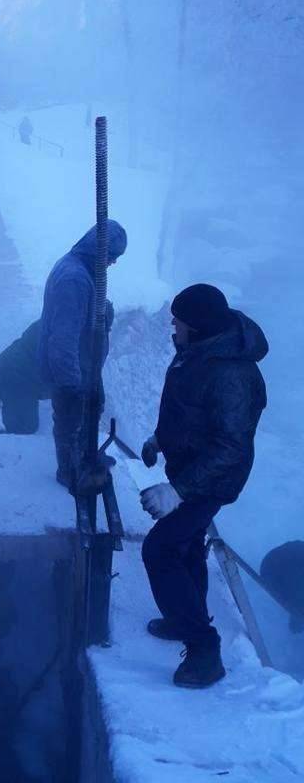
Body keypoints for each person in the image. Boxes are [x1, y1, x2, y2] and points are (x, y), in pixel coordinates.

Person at [140, 283, 268, 689]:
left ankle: (204, 652)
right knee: (187, 544)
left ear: (195, 325)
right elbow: (188, 410)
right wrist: (160, 439)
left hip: (211, 478)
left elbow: (231, 446)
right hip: (191, 468)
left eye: (177, 322)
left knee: (159, 549)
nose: (172, 328)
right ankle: (186, 619)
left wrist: (178, 492)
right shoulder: (200, 351)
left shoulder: (231, 372)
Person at [39, 221, 127, 492]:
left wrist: (104, 310)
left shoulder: (83, 271)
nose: (112, 262)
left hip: (86, 363)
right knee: (70, 420)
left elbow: (88, 309)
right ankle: (70, 472)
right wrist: (70, 382)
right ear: (99, 251)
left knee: (93, 408)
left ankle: (88, 456)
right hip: (74, 368)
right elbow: (63, 337)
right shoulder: (74, 279)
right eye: (112, 255)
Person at [260, 542, 304, 634]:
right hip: (271, 569)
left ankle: (296, 622)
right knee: (298, 607)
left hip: (277, 561)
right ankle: (296, 623)